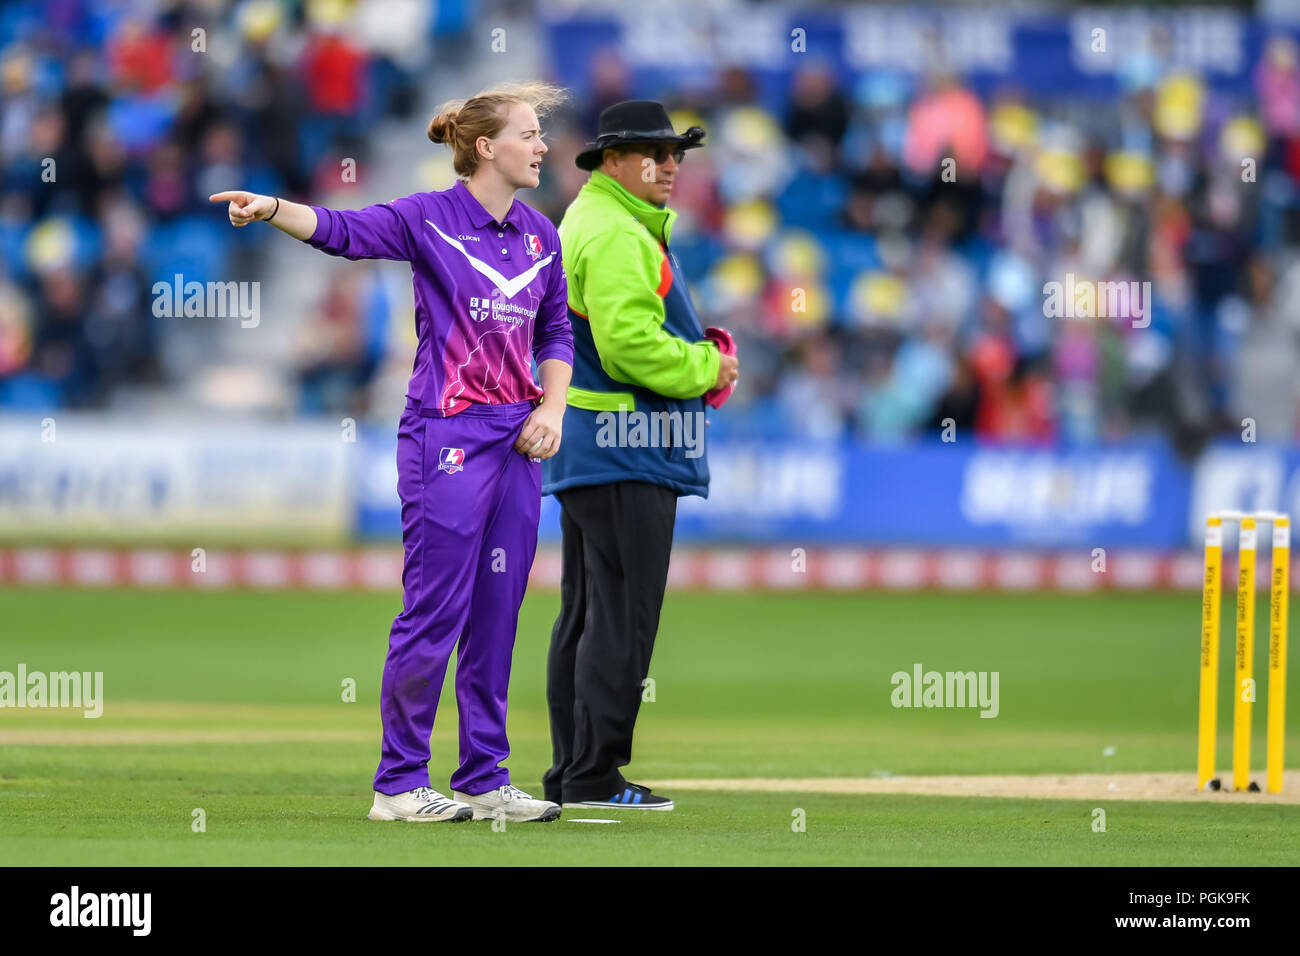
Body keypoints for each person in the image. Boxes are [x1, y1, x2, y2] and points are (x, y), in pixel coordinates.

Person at [210, 82, 574, 824]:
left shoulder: (543, 233)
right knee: (434, 610)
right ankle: (398, 785)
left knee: (498, 612)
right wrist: (274, 207)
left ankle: (482, 776)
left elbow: (557, 333)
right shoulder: (427, 216)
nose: (542, 147)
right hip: (444, 435)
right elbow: (343, 231)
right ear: (485, 147)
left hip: (518, 444)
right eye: (530, 135)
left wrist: (554, 405)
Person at [542, 100, 740, 811]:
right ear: (611, 162)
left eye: (676, 154)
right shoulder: (619, 234)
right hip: (628, 446)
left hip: (593, 448)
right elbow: (630, 348)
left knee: (587, 614)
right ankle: (594, 776)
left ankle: (573, 770)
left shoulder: (592, 222)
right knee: (621, 618)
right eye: (651, 154)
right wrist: (706, 368)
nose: (668, 166)